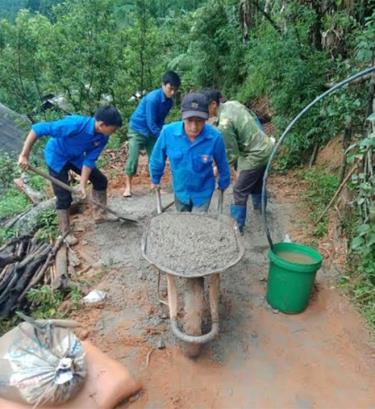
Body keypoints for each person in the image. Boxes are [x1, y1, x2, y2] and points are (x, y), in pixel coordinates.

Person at [18, 106, 123, 245]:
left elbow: (89, 161)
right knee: (63, 196)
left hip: (75, 157)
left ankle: (100, 214)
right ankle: (65, 232)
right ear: (102, 124)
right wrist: (24, 155)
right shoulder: (74, 124)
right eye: (113, 129)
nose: (114, 132)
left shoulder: (102, 137)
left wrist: (82, 185)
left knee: (100, 180)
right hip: (57, 157)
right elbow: (37, 129)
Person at [202, 89, 273, 232]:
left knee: (239, 189)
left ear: (214, 104)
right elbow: (253, 118)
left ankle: (237, 226)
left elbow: (231, 153)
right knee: (256, 181)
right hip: (266, 146)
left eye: (205, 107)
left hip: (255, 154)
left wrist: (218, 168)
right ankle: (260, 209)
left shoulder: (224, 124)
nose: (203, 112)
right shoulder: (232, 104)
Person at [149, 92, 230, 212]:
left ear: (206, 118)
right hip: (181, 191)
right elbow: (157, 158)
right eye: (189, 120)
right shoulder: (168, 133)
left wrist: (224, 181)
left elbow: (222, 163)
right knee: (183, 224)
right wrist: (155, 179)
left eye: (199, 121)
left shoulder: (215, 137)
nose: (194, 126)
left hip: (203, 192)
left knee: (199, 224)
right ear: (182, 117)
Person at [123, 70, 181, 197]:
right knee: (133, 158)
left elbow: (160, 121)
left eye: (175, 90)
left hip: (152, 131)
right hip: (137, 129)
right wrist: (163, 135)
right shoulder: (152, 99)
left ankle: (154, 184)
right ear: (163, 85)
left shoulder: (169, 102)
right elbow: (150, 122)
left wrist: (162, 135)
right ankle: (128, 187)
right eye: (170, 88)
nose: (172, 92)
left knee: (156, 158)